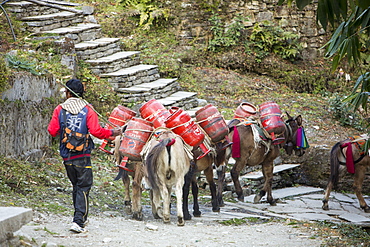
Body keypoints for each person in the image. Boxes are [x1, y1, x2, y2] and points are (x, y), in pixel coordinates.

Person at [47, 79, 122, 233]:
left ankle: (78, 217)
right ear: (81, 93)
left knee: (76, 185)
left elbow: (52, 131)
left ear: (68, 93)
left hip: (66, 155)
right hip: (82, 154)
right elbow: (96, 131)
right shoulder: (88, 109)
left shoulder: (59, 109)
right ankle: (79, 220)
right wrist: (112, 133)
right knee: (84, 186)